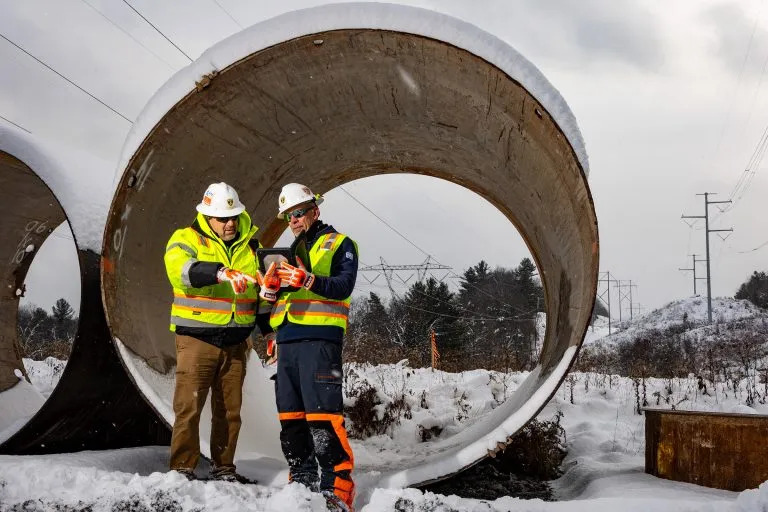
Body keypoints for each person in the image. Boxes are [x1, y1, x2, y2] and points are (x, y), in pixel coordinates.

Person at [164, 182, 276, 482]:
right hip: (197, 339)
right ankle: (182, 469)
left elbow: (259, 295)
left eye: (233, 217)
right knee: (189, 407)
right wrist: (219, 272)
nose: (229, 224)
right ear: (206, 217)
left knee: (229, 412)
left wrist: (268, 331)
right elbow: (179, 269)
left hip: (237, 342)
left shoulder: (251, 248)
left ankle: (224, 468)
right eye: (222, 218)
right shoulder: (186, 238)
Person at [260, 183, 358, 511]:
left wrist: (308, 280)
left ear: (315, 210)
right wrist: (271, 294)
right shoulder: (288, 254)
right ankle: (301, 480)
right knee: (291, 417)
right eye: (289, 216)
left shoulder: (340, 244)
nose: (294, 220)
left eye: (299, 212)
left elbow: (343, 286)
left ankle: (337, 487)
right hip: (287, 341)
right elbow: (282, 299)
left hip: (319, 341)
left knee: (323, 415)